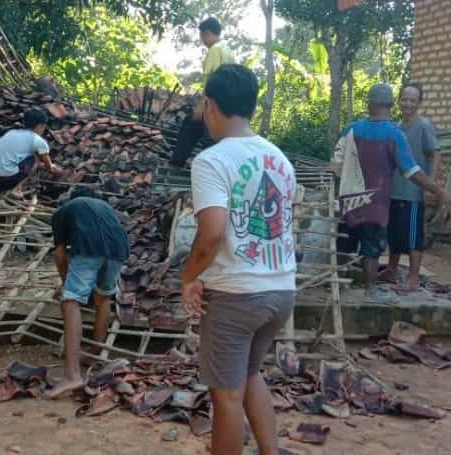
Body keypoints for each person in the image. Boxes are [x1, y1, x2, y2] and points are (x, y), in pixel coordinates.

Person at [182, 64, 296, 455]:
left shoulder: (212, 161)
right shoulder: (279, 159)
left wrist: (189, 277)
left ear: (211, 105)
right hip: (281, 290)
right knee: (249, 374)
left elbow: (212, 233)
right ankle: (270, 451)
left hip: (237, 296)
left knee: (226, 395)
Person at [333, 83, 451, 303]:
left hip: (348, 200)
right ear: (390, 105)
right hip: (376, 204)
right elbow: (412, 171)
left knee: (345, 242)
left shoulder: (351, 129)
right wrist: (439, 191)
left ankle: (337, 284)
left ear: (369, 104)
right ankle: (371, 290)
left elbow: (336, 163)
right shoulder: (394, 134)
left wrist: (349, 181)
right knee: (371, 248)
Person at [44, 189, 129, 398]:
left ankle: (72, 376)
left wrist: (67, 286)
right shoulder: (105, 208)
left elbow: (60, 256)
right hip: (119, 248)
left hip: (90, 245)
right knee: (103, 297)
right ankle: (95, 353)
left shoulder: (64, 211)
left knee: (70, 301)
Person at [380, 83, 441, 292]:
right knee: (395, 234)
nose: (408, 103)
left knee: (413, 237)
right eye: (404, 99)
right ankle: (391, 270)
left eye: (413, 100)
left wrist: (430, 185)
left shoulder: (423, 126)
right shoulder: (396, 127)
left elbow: (435, 154)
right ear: (398, 101)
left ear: (419, 103)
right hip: (394, 190)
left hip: (414, 192)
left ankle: (413, 278)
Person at [170, 17, 234, 167]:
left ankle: (177, 162)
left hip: (213, 102)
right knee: (202, 131)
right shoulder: (227, 50)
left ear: (207, 33)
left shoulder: (215, 49)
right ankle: (179, 161)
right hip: (225, 103)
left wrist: (202, 105)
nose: (202, 40)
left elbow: (210, 79)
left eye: (202, 36)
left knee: (195, 126)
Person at [0, 108, 58, 197]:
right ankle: (16, 189)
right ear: (40, 126)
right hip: (5, 179)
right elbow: (49, 168)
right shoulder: (38, 141)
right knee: (35, 159)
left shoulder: (11, 132)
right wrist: (52, 167)